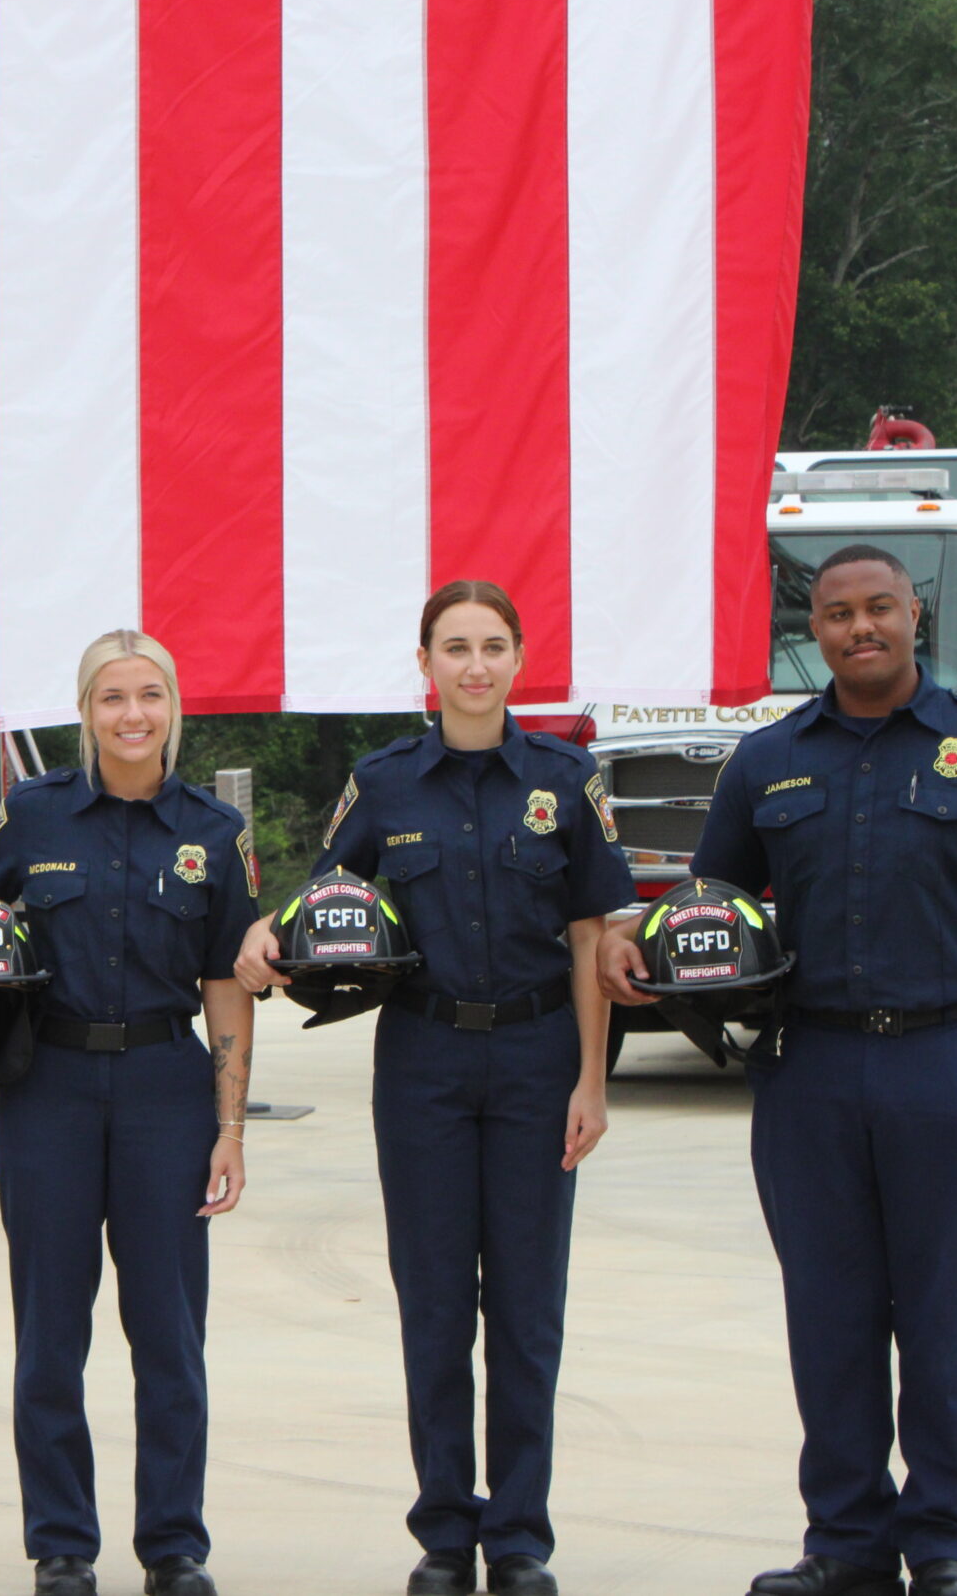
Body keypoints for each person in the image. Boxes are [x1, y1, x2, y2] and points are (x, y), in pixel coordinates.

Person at [601, 544, 957, 1596]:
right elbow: (706, 905)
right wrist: (639, 943)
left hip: (948, 1064)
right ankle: (847, 1546)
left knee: (940, 1324)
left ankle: (946, 1545)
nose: (858, 628)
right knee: (829, 1319)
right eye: (835, 614)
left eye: (878, 609)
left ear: (916, 615)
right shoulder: (768, 761)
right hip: (806, 1072)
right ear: (811, 631)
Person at [235, 581, 631, 1596]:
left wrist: (592, 1078)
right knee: (436, 1304)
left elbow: (592, 937)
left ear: (519, 657)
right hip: (423, 1066)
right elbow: (325, 897)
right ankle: (446, 1534)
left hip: (540, 1059)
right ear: (424, 662)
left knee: (528, 1307)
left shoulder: (563, 777)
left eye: (493, 646)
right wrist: (262, 931)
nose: (474, 666)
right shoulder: (384, 784)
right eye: (453, 647)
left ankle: (521, 1538)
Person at [0, 628, 257, 1596]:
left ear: (174, 707)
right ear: (85, 713)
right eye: (112, 698)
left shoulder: (211, 834)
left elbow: (224, 988)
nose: (133, 715)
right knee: (50, 1332)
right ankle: (61, 1546)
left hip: (168, 1089)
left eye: (149, 696)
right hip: (48, 1091)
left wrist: (231, 1125)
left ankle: (173, 1546)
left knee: (168, 1333)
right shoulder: (34, 818)